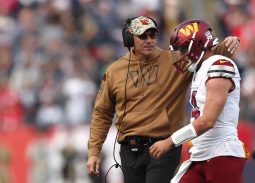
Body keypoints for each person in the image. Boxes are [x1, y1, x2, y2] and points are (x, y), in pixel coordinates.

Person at [86, 16, 240, 183]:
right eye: (143, 36)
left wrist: (229, 43)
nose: (149, 41)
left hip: (164, 146)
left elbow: (206, 53)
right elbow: (102, 113)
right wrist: (94, 151)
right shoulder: (114, 71)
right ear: (129, 39)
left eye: (153, 36)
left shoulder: (176, 60)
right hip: (129, 149)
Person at [149, 19, 248, 183]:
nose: (180, 55)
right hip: (201, 154)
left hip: (222, 153)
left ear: (197, 45)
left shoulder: (220, 65)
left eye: (182, 49)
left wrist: (170, 141)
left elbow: (208, 121)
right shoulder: (200, 68)